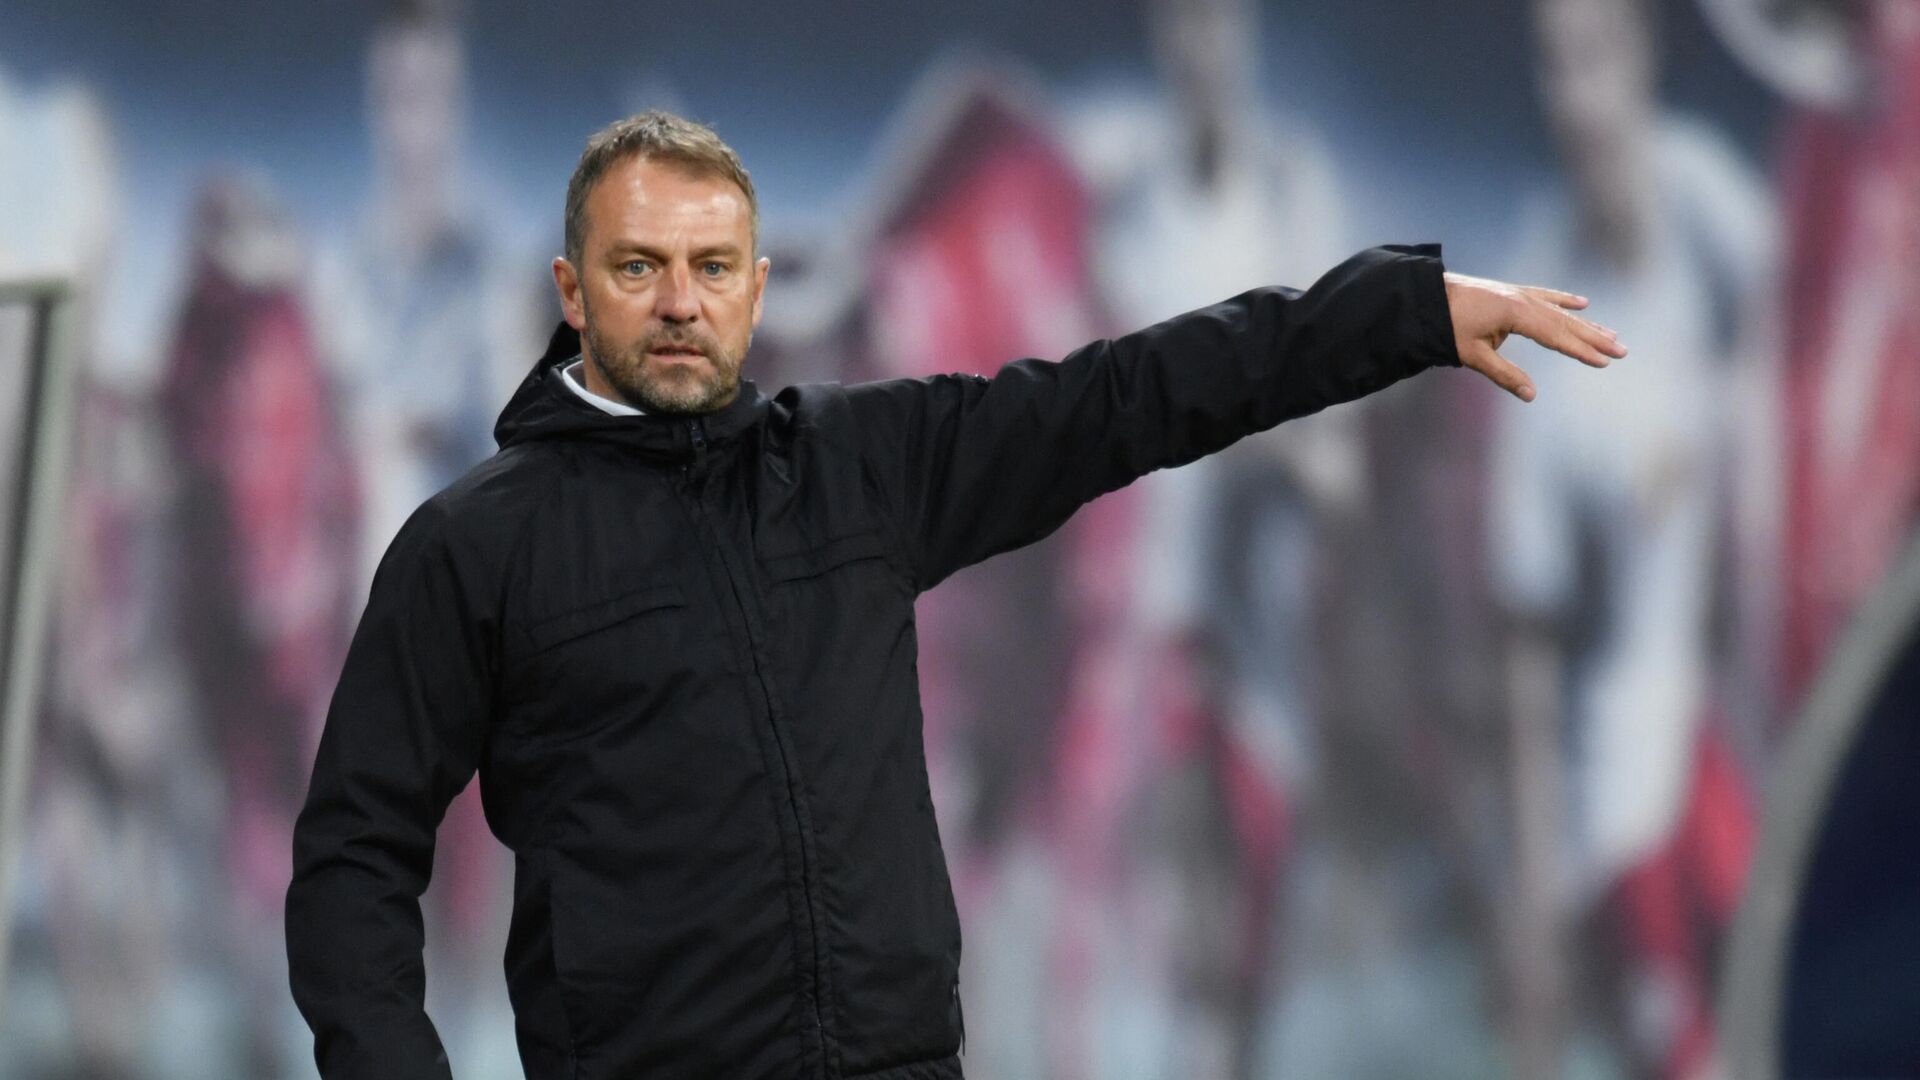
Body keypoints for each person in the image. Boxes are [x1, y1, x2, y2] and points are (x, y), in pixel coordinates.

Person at [284, 109, 1624, 1079]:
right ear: (575, 293)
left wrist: (1403, 311)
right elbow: (355, 856)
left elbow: (1131, 395)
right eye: (640, 268)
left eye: (711, 269)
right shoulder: (472, 546)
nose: (680, 303)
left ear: (757, 292)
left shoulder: (863, 466)